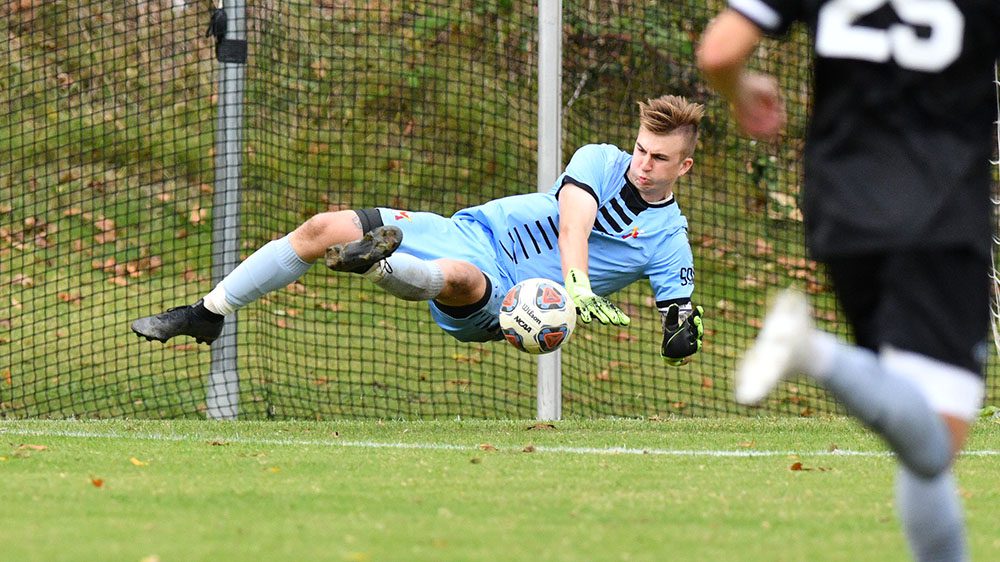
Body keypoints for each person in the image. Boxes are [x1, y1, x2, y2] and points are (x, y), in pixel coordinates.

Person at [697, 2, 999, 561]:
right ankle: (813, 352)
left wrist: (741, 91)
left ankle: (815, 352)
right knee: (935, 445)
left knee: (917, 428)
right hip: (939, 213)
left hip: (841, 212)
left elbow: (719, 50)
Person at [132, 94, 705, 365]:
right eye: (640, 148)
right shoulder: (601, 159)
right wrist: (579, 282)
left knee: (458, 279)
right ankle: (206, 314)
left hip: (509, 293)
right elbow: (575, 221)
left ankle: (378, 263)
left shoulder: (669, 239)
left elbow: (677, 318)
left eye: (658, 158)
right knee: (319, 227)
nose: (641, 163)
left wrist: (679, 332)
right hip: (470, 228)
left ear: (683, 166)